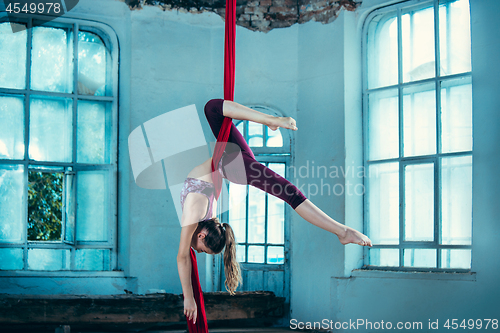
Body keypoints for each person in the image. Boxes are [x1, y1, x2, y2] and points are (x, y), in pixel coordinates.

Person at [177, 99, 372, 323]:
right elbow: (186, 255)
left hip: (232, 164)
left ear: (202, 235)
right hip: (231, 162)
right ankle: (271, 121)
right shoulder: (203, 216)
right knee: (212, 108)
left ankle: (342, 232)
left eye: (201, 250)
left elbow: (182, 257)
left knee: (291, 195)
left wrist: (189, 298)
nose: (197, 252)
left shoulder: (194, 213)